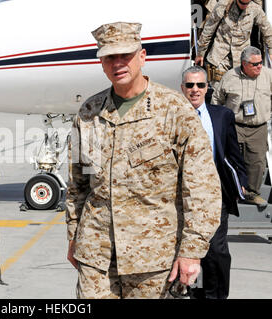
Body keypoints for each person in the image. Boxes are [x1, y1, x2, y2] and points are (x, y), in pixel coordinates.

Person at [66, 22, 222, 299]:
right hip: (96, 255)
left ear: (142, 56)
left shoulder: (174, 110)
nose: (118, 63)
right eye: (109, 57)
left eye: (125, 55)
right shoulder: (89, 112)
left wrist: (191, 251)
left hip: (153, 260)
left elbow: (202, 188)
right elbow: (78, 184)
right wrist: (73, 237)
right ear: (101, 62)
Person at [181, 65, 248, 299]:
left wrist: (241, 179)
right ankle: (196, 294)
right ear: (183, 88)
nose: (195, 90)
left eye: (200, 85)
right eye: (190, 85)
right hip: (183, 198)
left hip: (215, 195)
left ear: (207, 88)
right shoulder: (173, 117)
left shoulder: (222, 116)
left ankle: (217, 295)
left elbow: (233, 153)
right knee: (192, 251)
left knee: (216, 251)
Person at [212, 46, 271, 208]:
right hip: (235, 126)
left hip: (258, 127)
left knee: (257, 161)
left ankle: (252, 193)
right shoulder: (230, 76)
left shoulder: (268, 76)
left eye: (260, 62)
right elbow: (217, 99)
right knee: (231, 159)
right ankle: (232, 191)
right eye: (255, 64)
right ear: (244, 64)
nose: (260, 66)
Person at [195, 0, 272, 89]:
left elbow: (267, 31)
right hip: (219, 57)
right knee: (219, 92)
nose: (244, 6)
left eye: (246, 4)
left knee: (238, 94)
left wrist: (271, 51)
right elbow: (208, 29)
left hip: (241, 61)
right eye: (242, 3)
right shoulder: (223, 5)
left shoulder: (255, 9)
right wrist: (200, 53)